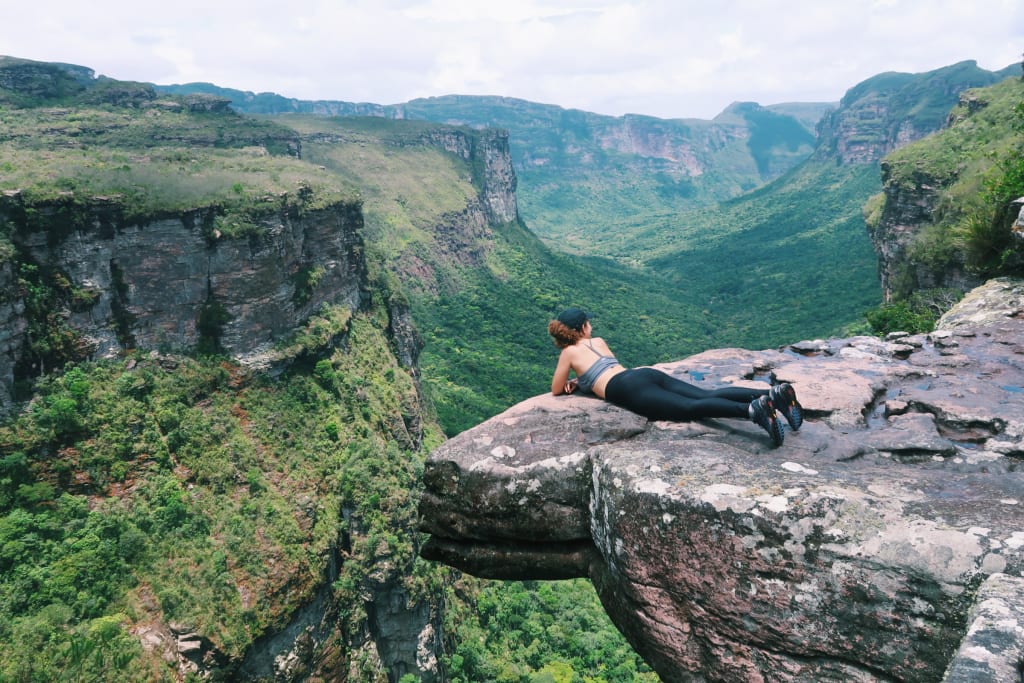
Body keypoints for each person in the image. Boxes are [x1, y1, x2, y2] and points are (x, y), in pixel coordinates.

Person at [548, 308, 802, 447]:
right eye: (588, 323)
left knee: (689, 408)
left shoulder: (568, 352)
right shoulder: (598, 342)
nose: (590, 325)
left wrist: (577, 382)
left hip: (625, 390)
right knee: (705, 394)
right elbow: (595, 371)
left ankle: (752, 410)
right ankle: (772, 396)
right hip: (640, 375)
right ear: (582, 328)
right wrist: (582, 380)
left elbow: (557, 389)